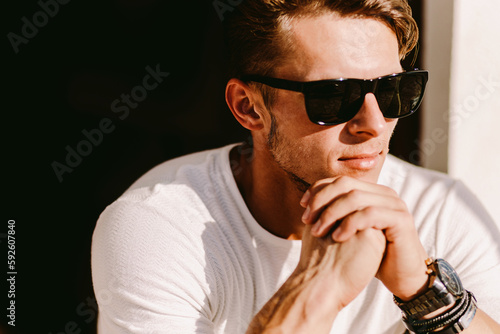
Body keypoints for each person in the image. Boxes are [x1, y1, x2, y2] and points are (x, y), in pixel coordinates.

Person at [91, 0, 500, 333]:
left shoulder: (443, 210)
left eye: (395, 90)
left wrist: (421, 291)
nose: (374, 124)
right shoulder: (158, 225)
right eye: (334, 96)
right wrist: (319, 289)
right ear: (248, 107)